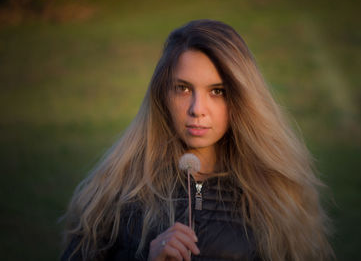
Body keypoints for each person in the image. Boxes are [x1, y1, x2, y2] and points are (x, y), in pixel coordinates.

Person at [61, 19, 333, 261]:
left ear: (240, 98)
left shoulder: (276, 192)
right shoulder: (116, 190)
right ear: (162, 95)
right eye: (183, 88)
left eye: (217, 91)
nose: (197, 108)